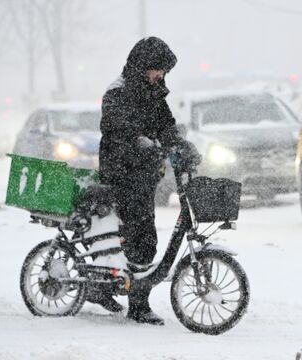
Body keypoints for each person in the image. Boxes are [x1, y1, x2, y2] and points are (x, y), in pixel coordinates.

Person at [97, 37, 194, 325]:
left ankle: (118, 291)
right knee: (134, 234)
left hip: (144, 174)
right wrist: (138, 141)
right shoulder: (117, 92)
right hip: (121, 171)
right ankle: (134, 303)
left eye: (164, 72)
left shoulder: (153, 93)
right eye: (158, 69)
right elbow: (114, 126)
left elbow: (166, 125)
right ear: (143, 66)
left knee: (140, 235)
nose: (161, 75)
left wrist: (179, 145)